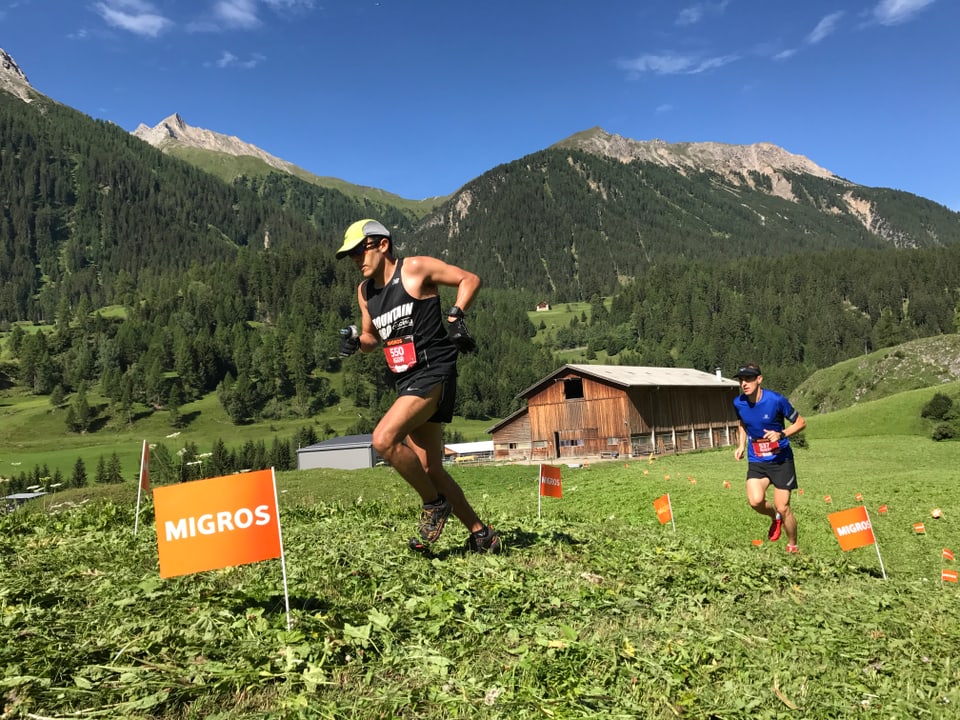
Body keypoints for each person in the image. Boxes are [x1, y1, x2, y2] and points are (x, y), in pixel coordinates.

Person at [335, 218, 501, 553]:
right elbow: (372, 337)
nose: (356, 259)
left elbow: (470, 279)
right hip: (406, 379)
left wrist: (455, 316)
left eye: (359, 250)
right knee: (430, 467)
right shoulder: (365, 291)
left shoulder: (415, 269)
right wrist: (357, 340)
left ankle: (433, 503)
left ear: (382, 244)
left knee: (383, 439)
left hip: (434, 371)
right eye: (350, 254)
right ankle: (483, 535)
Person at [732, 363, 806, 553]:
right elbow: (742, 422)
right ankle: (775, 518)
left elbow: (800, 422)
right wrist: (741, 445)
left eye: (749, 379)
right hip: (757, 459)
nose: (744, 383)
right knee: (755, 501)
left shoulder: (776, 400)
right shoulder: (738, 403)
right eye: (741, 380)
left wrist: (781, 434)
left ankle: (792, 545)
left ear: (759, 379)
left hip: (781, 461)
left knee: (783, 506)